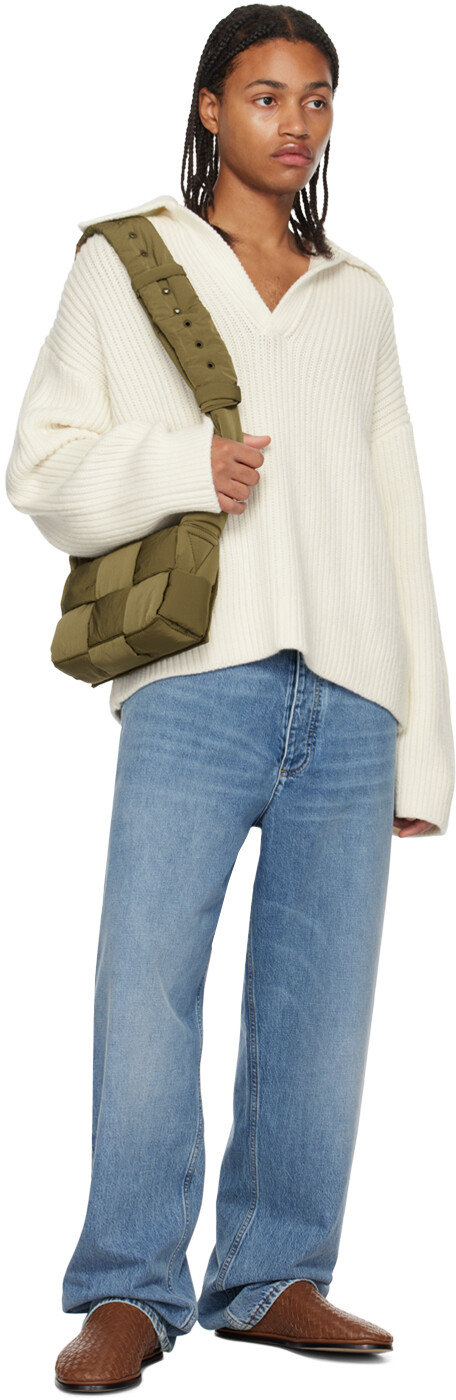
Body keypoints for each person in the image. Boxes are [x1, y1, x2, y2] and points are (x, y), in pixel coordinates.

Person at [5, 5, 454, 1390]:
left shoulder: (359, 295)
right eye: (266, 96)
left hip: (352, 697)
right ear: (210, 107)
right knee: (146, 989)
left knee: (321, 1007)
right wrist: (184, 468)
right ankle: (129, 1290)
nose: (295, 122)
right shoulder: (125, 260)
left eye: (317, 99)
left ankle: (274, 1277)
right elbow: (39, 467)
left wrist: (421, 750)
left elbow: (399, 517)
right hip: (196, 682)